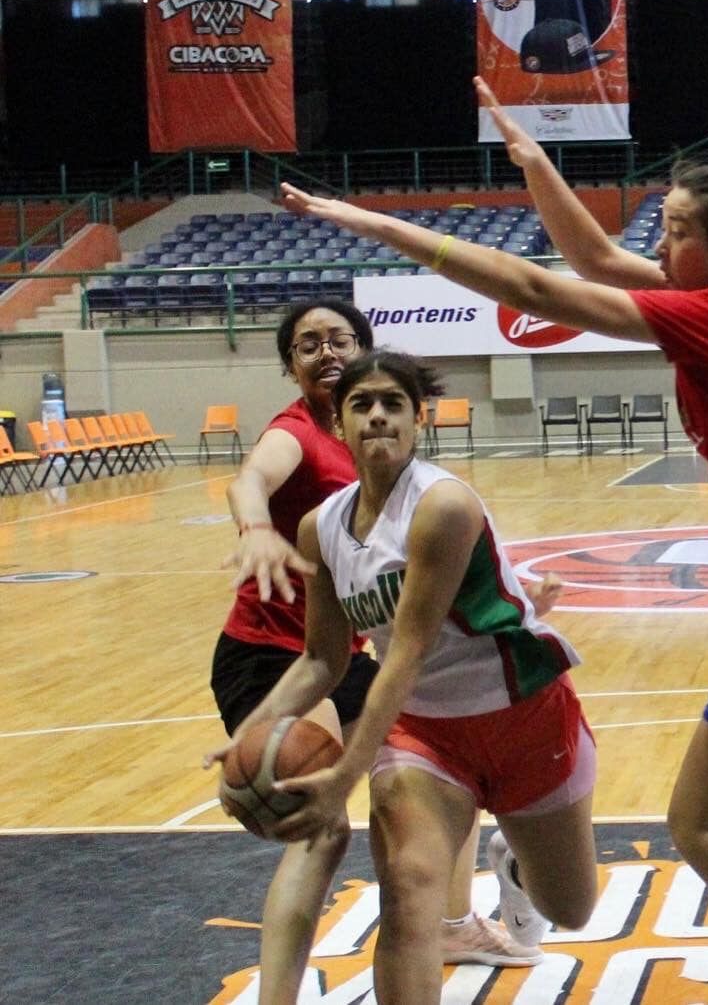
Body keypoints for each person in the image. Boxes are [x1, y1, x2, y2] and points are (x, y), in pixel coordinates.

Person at [277, 79, 708, 1005]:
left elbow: (543, 283)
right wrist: (536, 161)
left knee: (704, 822)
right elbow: (594, 250)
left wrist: (371, 225)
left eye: (678, 230)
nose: (660, 245)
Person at [212, 350, 599, 1004]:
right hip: (424, 734)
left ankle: (515, 859)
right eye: (362, 405)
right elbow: (323, 660)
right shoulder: (320, 526)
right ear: (339, 424)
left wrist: (341, 774)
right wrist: (247, 736)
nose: (379, 416)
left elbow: (407, 650)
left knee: (572, 908)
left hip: (523, 714)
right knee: (410, 891)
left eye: (394, 403)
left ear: (419, 419)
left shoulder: (442, 505)